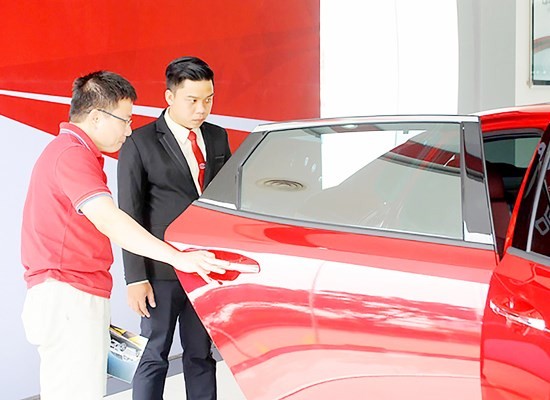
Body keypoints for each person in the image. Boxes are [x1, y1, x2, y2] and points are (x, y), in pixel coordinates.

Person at [20, 70, 228, 400]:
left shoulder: (75, 152)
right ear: (97, 116)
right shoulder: (71, 155)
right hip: (69, 297)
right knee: (78, 391)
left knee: (81, 388)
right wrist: (176, 258)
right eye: (125, 120)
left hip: (78, 294)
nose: (129, 130)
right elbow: (112, 219)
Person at [117, 56, 231, 400]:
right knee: (154, 356)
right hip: (159, 272)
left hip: (205, 267)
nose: (201, 109)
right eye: (192, 100)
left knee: (201, 355)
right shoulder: (139, 142)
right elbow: (128, 215)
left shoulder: (217, 136)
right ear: (169, 97)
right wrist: (135, 278)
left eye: (208, 99)